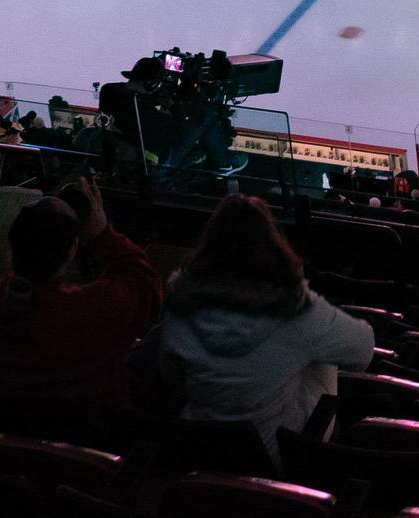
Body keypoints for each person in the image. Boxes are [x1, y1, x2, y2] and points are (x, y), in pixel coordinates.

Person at [158, 195, 375, 460]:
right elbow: (363, 352)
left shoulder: (180, 304)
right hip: (279, 455)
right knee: (322, 355)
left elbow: (173, 379)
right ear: (274, 246)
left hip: (203, 449)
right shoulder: (297, 310)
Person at [0, 177, 163, 406]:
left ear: (11, 247)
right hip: (80, 437)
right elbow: (145, 285)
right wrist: (102, 234)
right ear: (72, 251)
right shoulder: (92, 312)